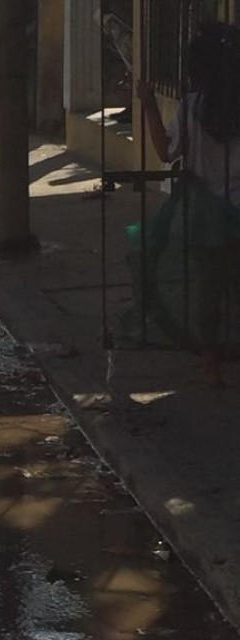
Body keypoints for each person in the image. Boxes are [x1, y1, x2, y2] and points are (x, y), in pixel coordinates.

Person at [139, 21, 240, 386]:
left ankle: (211, 361)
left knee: (207, 289)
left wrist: (150, 105)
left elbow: (166, 151)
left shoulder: (191, 106)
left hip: (205, 214)